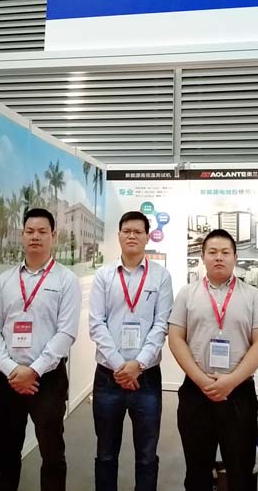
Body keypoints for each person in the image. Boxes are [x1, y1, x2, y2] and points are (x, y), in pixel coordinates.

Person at [0, 207, 81, 491]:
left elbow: (66, 333)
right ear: (22, 235)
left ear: (53, 236)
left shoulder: (65, 280)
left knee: (52, 455)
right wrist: (13, 370)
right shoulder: (5, 280)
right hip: (8, 380)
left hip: (47, 381)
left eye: (42, 232)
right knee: (6, 453)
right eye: (29, 231)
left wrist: (34, 370)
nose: (35, 237)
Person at [168, 229, 258, 491]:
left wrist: (231, 381)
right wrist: (202, 380)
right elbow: (176, 338)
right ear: (203, 257)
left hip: (238, 393)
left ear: (235, 257)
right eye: (212, 252)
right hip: (196, 392)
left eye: (225, 252)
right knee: (197, 470)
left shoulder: (252, 296)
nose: (218, 257)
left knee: (240, 469)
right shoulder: (187, 294)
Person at [88, 210, 173, 491]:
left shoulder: (161, 276)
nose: (132, 236)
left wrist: (139, 364)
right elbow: (96, 324)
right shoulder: (104, 275)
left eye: (138, 231)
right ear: (119, 236)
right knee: (105, 453)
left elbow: (162, 324)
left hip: (146, 378)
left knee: (147, 456)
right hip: (107, 377)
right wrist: (119, 366)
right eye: (127, 231)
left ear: (148, 237)